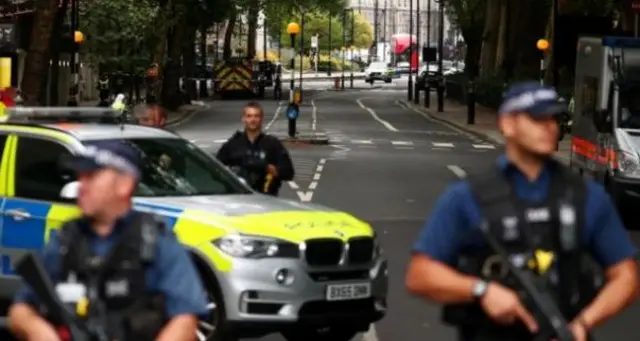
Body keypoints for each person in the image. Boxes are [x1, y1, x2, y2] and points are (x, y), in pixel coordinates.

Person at [405, 82, 638, 341]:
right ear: (507, 124)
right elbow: (420, 274)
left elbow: (626, 277)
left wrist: (583, 323)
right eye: (537, 118)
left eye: (553, 118)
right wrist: (481, 290)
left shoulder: (586, 196)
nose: (549, 126)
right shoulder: (467, 197)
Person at [8, 140, 208, 341]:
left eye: (92, 177)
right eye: (80, 177)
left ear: (124, 184)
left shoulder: (155, 240)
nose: (81, 186)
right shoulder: (64, 240)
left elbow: (185, 319)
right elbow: (20, 311)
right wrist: (39, 331)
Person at [216, 101, 294, 195]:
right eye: (249, 116)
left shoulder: (272, 144)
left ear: (261, 119)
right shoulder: (233, 143)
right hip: (239, 198)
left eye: (256, 116)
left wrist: (270, 169)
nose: (253, 120)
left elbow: (288, 172)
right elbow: (216, 168)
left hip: (266, 197)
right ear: (243, 119)